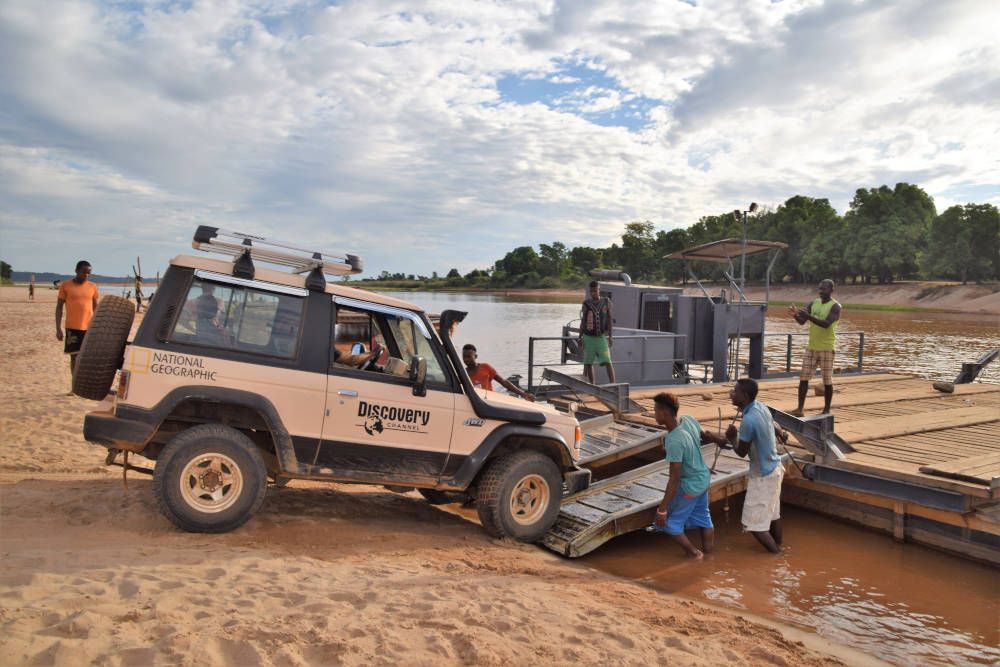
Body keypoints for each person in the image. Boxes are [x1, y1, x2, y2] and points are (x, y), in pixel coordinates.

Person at [722, 378, 784, 553]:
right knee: (773, 515)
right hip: (775, 468)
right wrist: (780, 433)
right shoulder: (760, 407)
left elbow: (741, 451)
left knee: (754, 526)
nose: (732, 394)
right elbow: (774, 425)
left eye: (735, 392)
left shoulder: (748, 420)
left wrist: (732, 438)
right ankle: (779, 549)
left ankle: (776, 556)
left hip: (763, 476)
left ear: (745, 396)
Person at [651, 392, 713, 559]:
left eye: (655, 410)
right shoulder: (688, 420)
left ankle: (694, 553)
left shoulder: (674, 440)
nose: (654, 414)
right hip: (704, 479)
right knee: (704, 518)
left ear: (664, 412)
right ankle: (709, 556)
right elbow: (705, 435)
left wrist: (662, 509)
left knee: (669, 525)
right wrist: (719, 439)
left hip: (690, 486)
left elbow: (674, 478)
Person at [788, 279, 841, 416]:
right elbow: (802, 321)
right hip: (811, 347)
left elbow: (826, 324)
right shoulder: (813, 303)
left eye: (824, 289)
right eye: (820, 289)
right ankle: (800, 409)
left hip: (826, 348)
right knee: (803, 378)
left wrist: (809, 316)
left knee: (827, 380)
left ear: (831, 290)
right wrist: (795, 315)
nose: (821, 291)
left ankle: (826, 409)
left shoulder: (836, 306)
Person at [55, 260, 100, 374]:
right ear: (76, 271)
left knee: (87, 358)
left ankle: (83, 383)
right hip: (72, 328)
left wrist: (98, 327)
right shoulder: (66, 286)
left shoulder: (92, 286)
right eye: (83, 272)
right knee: (74, 357)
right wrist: (58, 328)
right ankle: (74, 385)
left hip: (89, 328)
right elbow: (59, 308)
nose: (86, 275)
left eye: (88, 273)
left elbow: (96, 308)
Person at [462, 344, 535, 401]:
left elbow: (503, 382)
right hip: (473, 404)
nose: (466, 359)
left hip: (489, 402)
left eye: (469, 356)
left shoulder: (486, 367)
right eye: (464, 357)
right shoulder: (462, 373)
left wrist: (523, 394)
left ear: (476, 356)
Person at [580, 280, 615, 384]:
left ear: (599, 290)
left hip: (601, 337)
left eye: (595, 291)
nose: (593, 293)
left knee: (608, 362)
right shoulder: (586, 304)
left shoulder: (606, 301)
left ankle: (613, 385)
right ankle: (592, 386)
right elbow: (583, 321)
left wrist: (610, 336)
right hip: (588, 337)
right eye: (591, 291)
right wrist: (579, 337)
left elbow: (609, 319)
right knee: (589, 362)